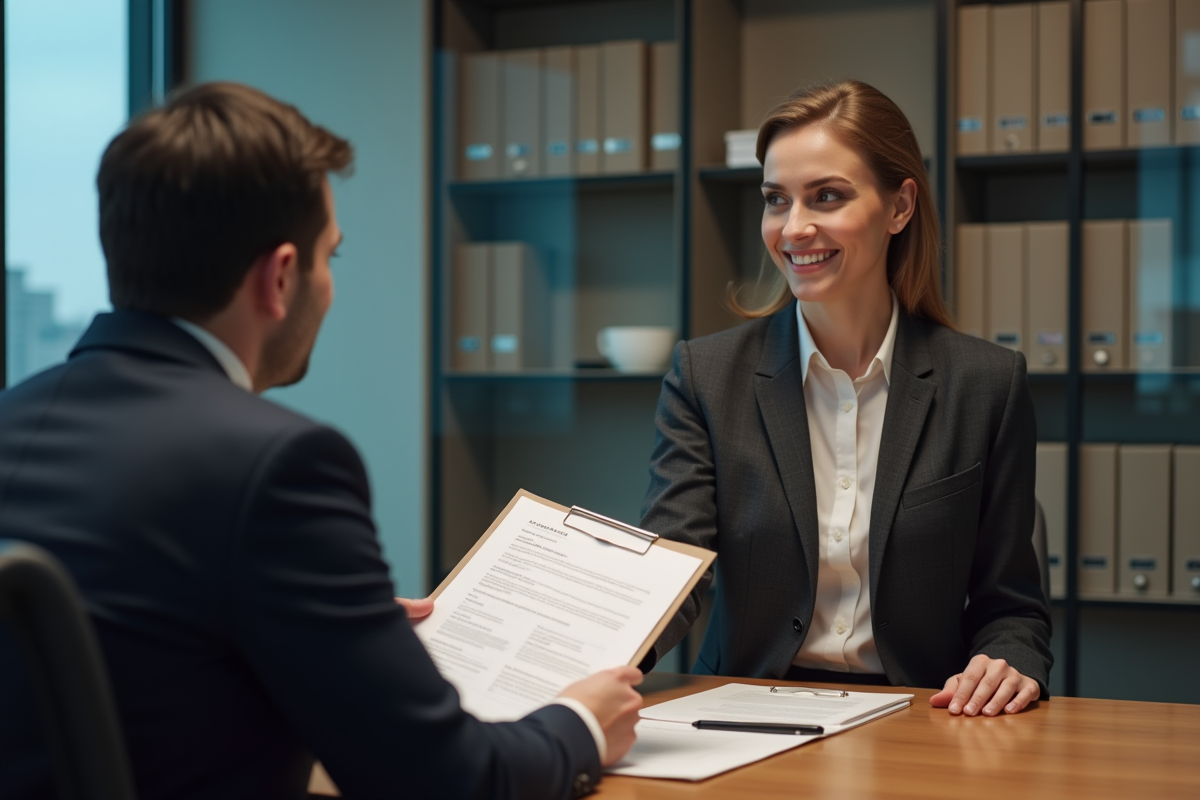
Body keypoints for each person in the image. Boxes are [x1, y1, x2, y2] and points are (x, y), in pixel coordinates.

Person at [0, 81, 642, 800]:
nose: (329, 284)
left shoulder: (13, 417)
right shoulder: (274, 465)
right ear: (280, 277)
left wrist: (331, 628)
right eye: (329, 257)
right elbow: (449, 782)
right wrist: (579, 723)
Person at [639, 81, 1052, 717]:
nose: (794, 228)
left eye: (827, 196)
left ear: (900, 207)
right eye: (776, 200)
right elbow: (669, 571)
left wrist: (1009, 660)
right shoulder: (706, 376)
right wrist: (577, 651)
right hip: (744, 709)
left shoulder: (987, 384)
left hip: (923, 713)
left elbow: (1012, 606)